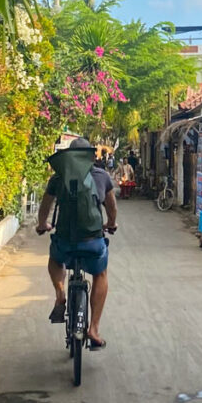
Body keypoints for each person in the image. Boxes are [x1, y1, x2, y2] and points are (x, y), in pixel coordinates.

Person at [37, 137, 117, 350]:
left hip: (64, 241)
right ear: (91, 156)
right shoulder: (102, 176)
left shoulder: (58, 177)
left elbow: (45, 207)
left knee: (55, 259)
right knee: (100, 274)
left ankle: (60, 293)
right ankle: (94, 329)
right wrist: (111, 223)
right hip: (93, 242)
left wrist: (42, 224)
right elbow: (111, 208)